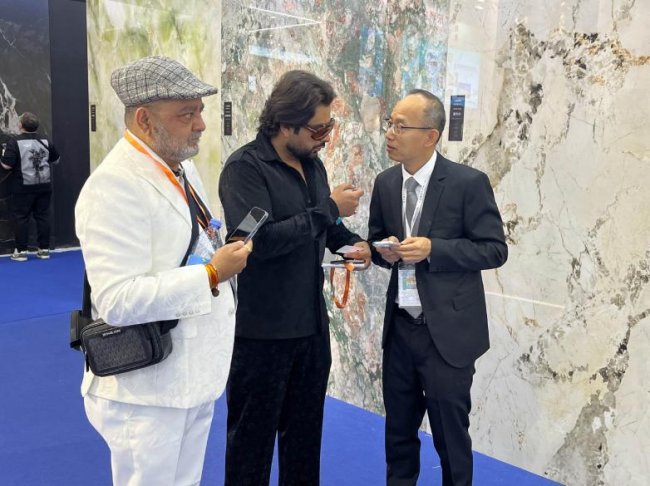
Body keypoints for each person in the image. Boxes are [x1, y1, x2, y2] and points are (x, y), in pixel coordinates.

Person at [75, 56, 251, 486]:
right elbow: (117, 301)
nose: (201, 125)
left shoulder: (180, 167)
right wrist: (210, 275)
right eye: (186, 114)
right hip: (147, 390)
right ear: (144, 120)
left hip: (191, 375)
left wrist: (218, 254)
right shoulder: (113, 186)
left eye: (200, 111)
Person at [219, 70, 371, 485]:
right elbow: (259, 242)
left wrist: (353, 244)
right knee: (250, 448)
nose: (325, 137)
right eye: (318, 129)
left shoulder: (312, 165)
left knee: (304, 444)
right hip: (261, 335)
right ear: (285, 124)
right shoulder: (244, 169)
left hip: (310, 329)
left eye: (329, 126)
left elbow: (325, 230)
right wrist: (330, 209)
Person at [368, 89, 508, 486]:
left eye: (400, 126)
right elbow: (378, 241)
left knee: (451, 438)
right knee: (398, 434)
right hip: (400, 329)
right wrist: (383, 251)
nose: (390, 133)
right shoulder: (385, 183)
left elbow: (494, 249)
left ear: (430, 136)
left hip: (447, 334)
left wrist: (434, 249)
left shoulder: (468, 183)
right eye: (389, 124)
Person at [0, 112, 60, 261]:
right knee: (43, 217)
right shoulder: (45, 140)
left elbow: (7, 165)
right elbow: (56, 160)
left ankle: (21, 252)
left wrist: (3, 154)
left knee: (21, 218)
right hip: (44, 186)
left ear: (21, 125)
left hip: (23, 188)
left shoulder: (14, 141)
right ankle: (44, 250)